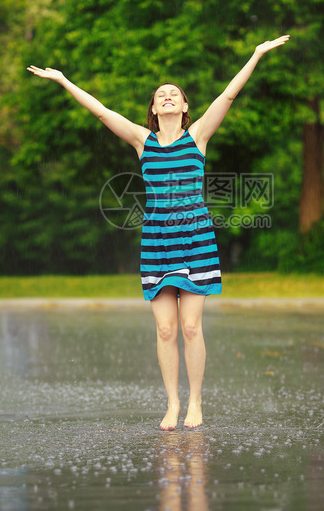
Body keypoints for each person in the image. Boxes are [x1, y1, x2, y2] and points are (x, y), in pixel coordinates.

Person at [27, 34, 290, 430]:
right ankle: (172, 403)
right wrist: (65, 81)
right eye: (160, 94)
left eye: (174, 94)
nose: (167, 96)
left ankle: (196, 403)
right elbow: (101, 112)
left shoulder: (197, 136)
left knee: (189, 326)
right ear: (153, 108)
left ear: (185, 107)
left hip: (197, 241)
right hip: (158, 244)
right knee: (165, 328)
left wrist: (256, 54)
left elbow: (229, 96)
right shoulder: (142, 141)